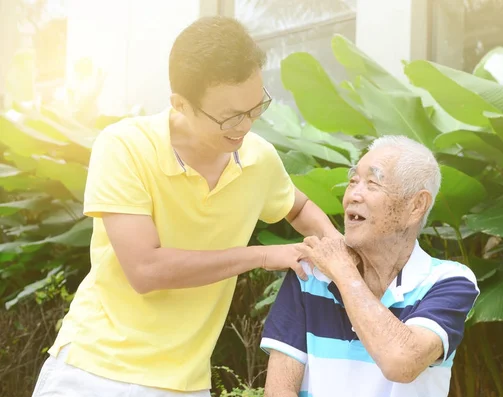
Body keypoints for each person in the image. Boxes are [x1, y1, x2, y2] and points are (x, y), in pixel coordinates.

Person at [32, 16, 339, 397]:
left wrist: (339, 249)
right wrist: (261, 256)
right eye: (230, 117)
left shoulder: (259, 158)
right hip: (94, 372)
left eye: (256, 107)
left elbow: (297, 207)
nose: (245, 127)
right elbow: (146, 269)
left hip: (185, 385)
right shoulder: (125, 147)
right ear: (180, 104)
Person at [260, 135, 480, 397]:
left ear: (416, 206)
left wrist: (344, 273)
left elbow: (402, 362)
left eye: (372, 183)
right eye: (353, 181)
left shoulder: (448, 280)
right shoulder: (309, 274)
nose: (353, 195)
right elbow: (278, 391)